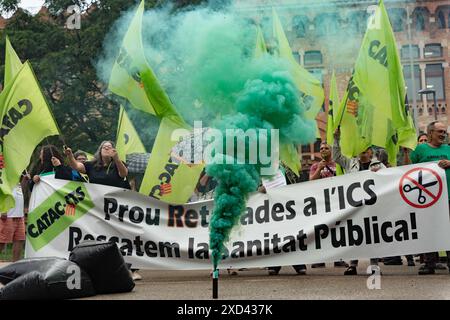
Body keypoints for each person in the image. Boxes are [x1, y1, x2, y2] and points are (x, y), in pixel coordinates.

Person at [333, 128, 386, 275]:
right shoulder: (350, 164)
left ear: (370, 152)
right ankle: (352, 264)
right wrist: (336, 139)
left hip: (372, 206)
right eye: (360, 148)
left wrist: (380, 174)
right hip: (355, 206)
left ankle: (374, 266)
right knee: (355, 234)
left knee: (372, 235)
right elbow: (336, 157)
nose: (363, 151)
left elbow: (388, 181)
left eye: (366, 148)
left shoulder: (379, 166)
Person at [410, 121, 450, 275]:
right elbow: (407, 169)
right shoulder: (420, 150)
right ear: (430, 133)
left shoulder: (448, 149)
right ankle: (429, 263)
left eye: (444, 132)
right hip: (427, 199)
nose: (443, 134)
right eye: (439, 131)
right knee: (429, 230)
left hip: (448, 197)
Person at [309, 142, 348, 268]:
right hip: (322, 204)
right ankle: (320, 258)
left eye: (326, 148)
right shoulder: (315, 166)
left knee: (338, 230)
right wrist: (320, 169)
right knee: (321, 231)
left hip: (337, 202)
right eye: (321, 149)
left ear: (331, 150)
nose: (323, 150)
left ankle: (338, 258)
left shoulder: (338, 164)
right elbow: (311, 182)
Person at [265, 165, 307, 276]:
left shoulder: (287, 164)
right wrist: (259, 188)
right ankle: (275, 264)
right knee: (275, 235)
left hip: (288, 204)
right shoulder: (260, 165)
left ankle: (298, 264)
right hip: (270, 206)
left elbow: (297, 180)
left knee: (291, 233)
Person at [65, 141, 130, 189]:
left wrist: (116, 159)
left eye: (109, 147)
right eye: (104, 147)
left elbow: (124, 174)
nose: (107, 148)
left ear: (114, 150)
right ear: (100, 151)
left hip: (116, 201)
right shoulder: (91, 165)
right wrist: (70, 155)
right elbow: (76, 166)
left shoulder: (119, 164)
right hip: (97, 202)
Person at [0, 174, 28, 262]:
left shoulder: (17, 181)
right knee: (2, 241)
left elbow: (20, 192)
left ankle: (14, 267)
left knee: (19, 240)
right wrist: (2, 210)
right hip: (7, 215)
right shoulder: (3, 178)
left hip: (19, 216)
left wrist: (24, 180)